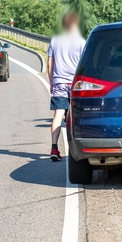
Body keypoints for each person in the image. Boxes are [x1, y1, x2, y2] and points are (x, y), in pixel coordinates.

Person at [47, 11, 86, 161]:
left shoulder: (55, 40)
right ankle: (74, 150)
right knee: (76, 116)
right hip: (75, 83)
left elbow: (50, 64)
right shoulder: (82, 41)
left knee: (58, 115)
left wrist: (52, 82)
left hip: (59, 82)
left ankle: (54, 148)